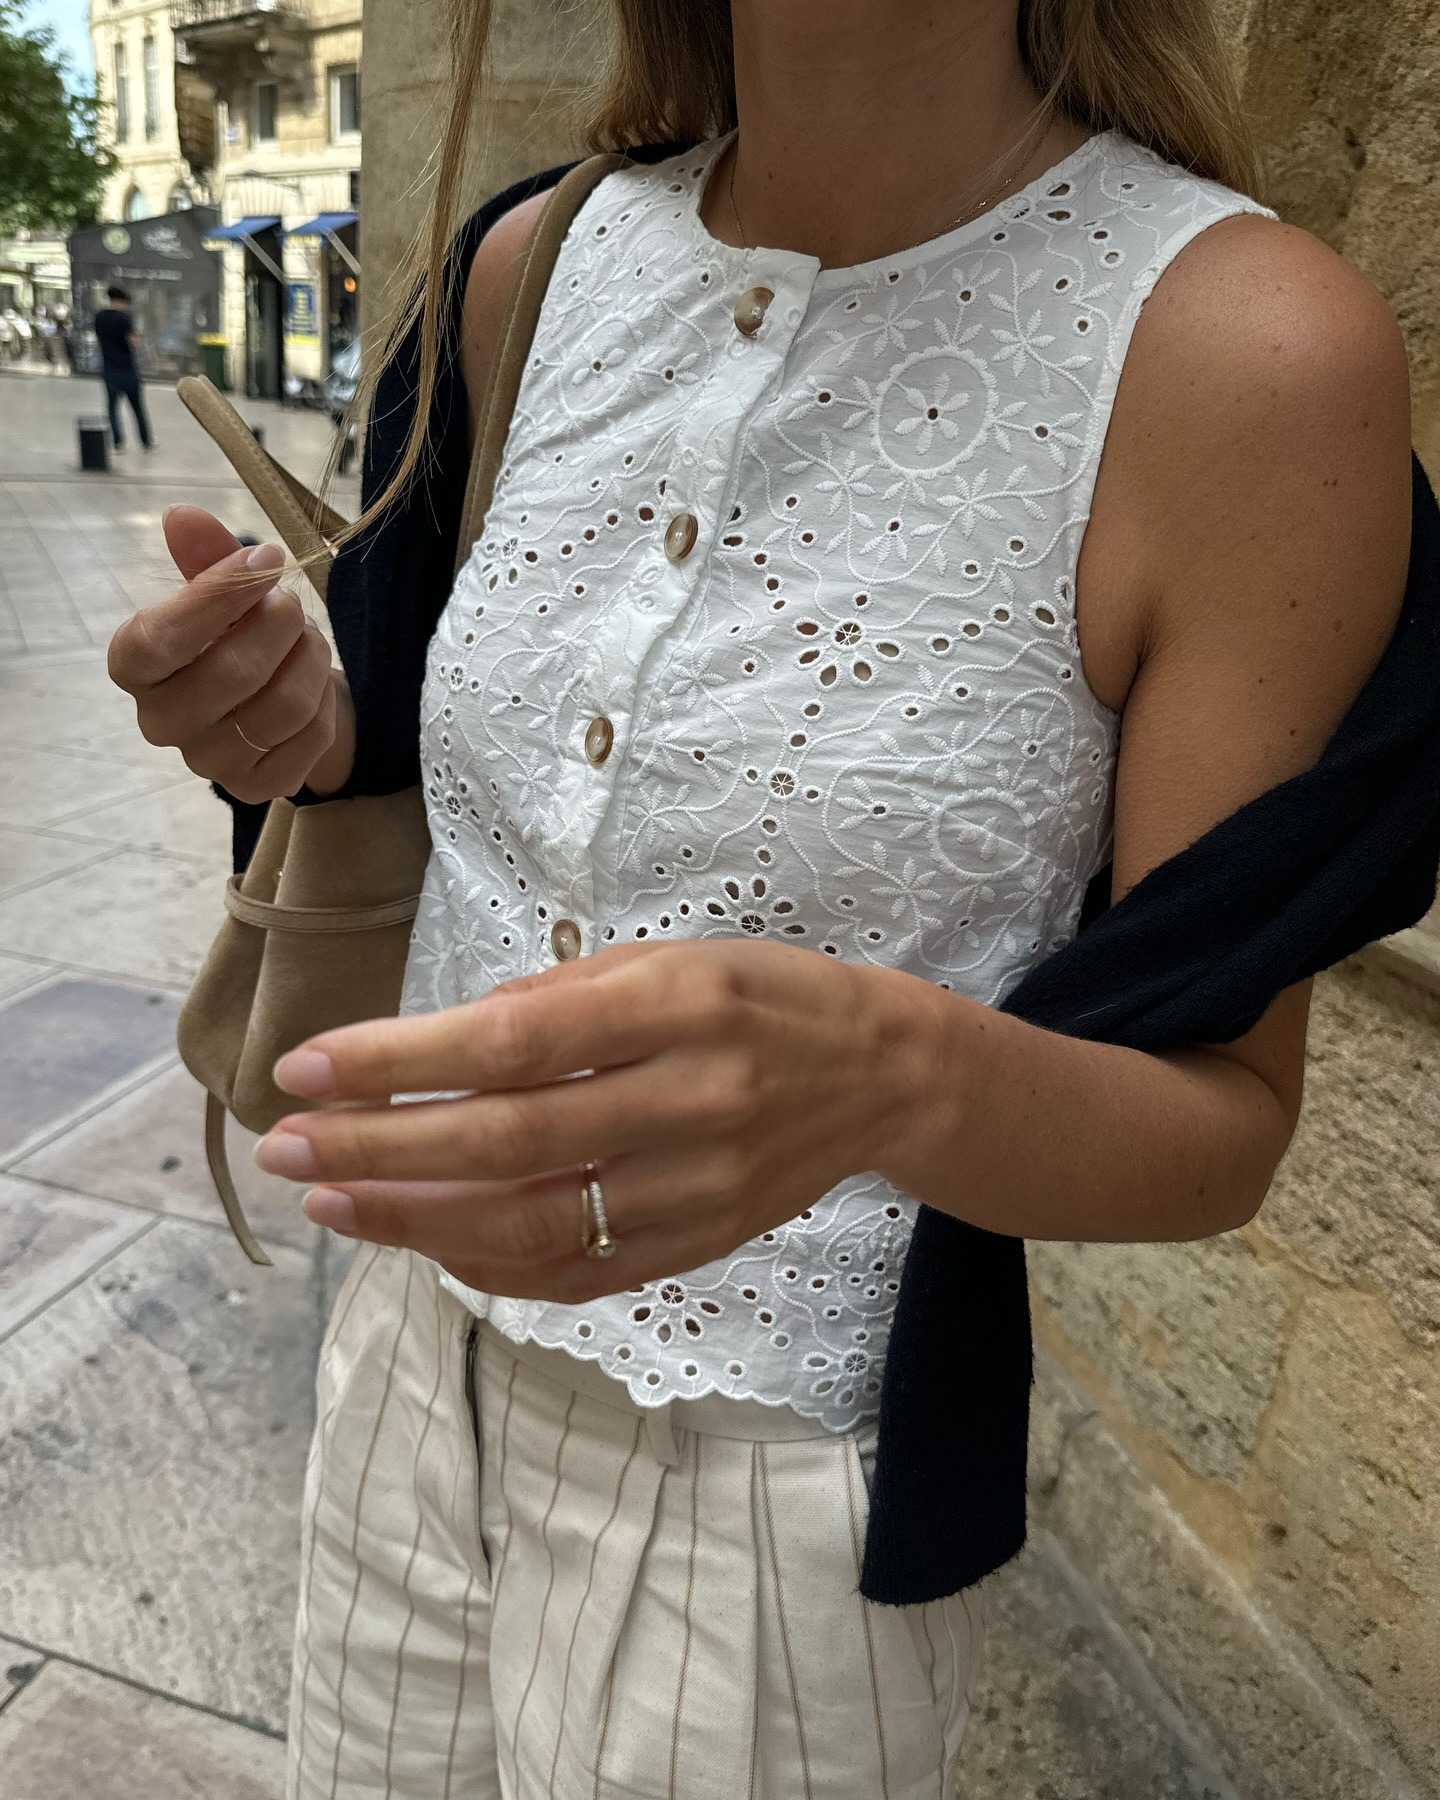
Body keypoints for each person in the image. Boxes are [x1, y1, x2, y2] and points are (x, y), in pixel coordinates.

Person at [107, 0, 1422, 1793]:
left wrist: (894, 1074)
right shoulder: (531, 261)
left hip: (780, 1498)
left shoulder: (1244, 354)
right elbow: (425, 747)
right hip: (402, 1368)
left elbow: (1224, 1124)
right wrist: (304, 719)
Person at [93, 284, 154, 450]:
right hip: (127, 369)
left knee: (112, 407)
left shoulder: (100, 316)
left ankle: (118, 441)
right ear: (122, 301)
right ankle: (145, 440)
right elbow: (133, 342)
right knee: (137, 407)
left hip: (109, 369)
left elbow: (98, 342)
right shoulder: (124, 318)